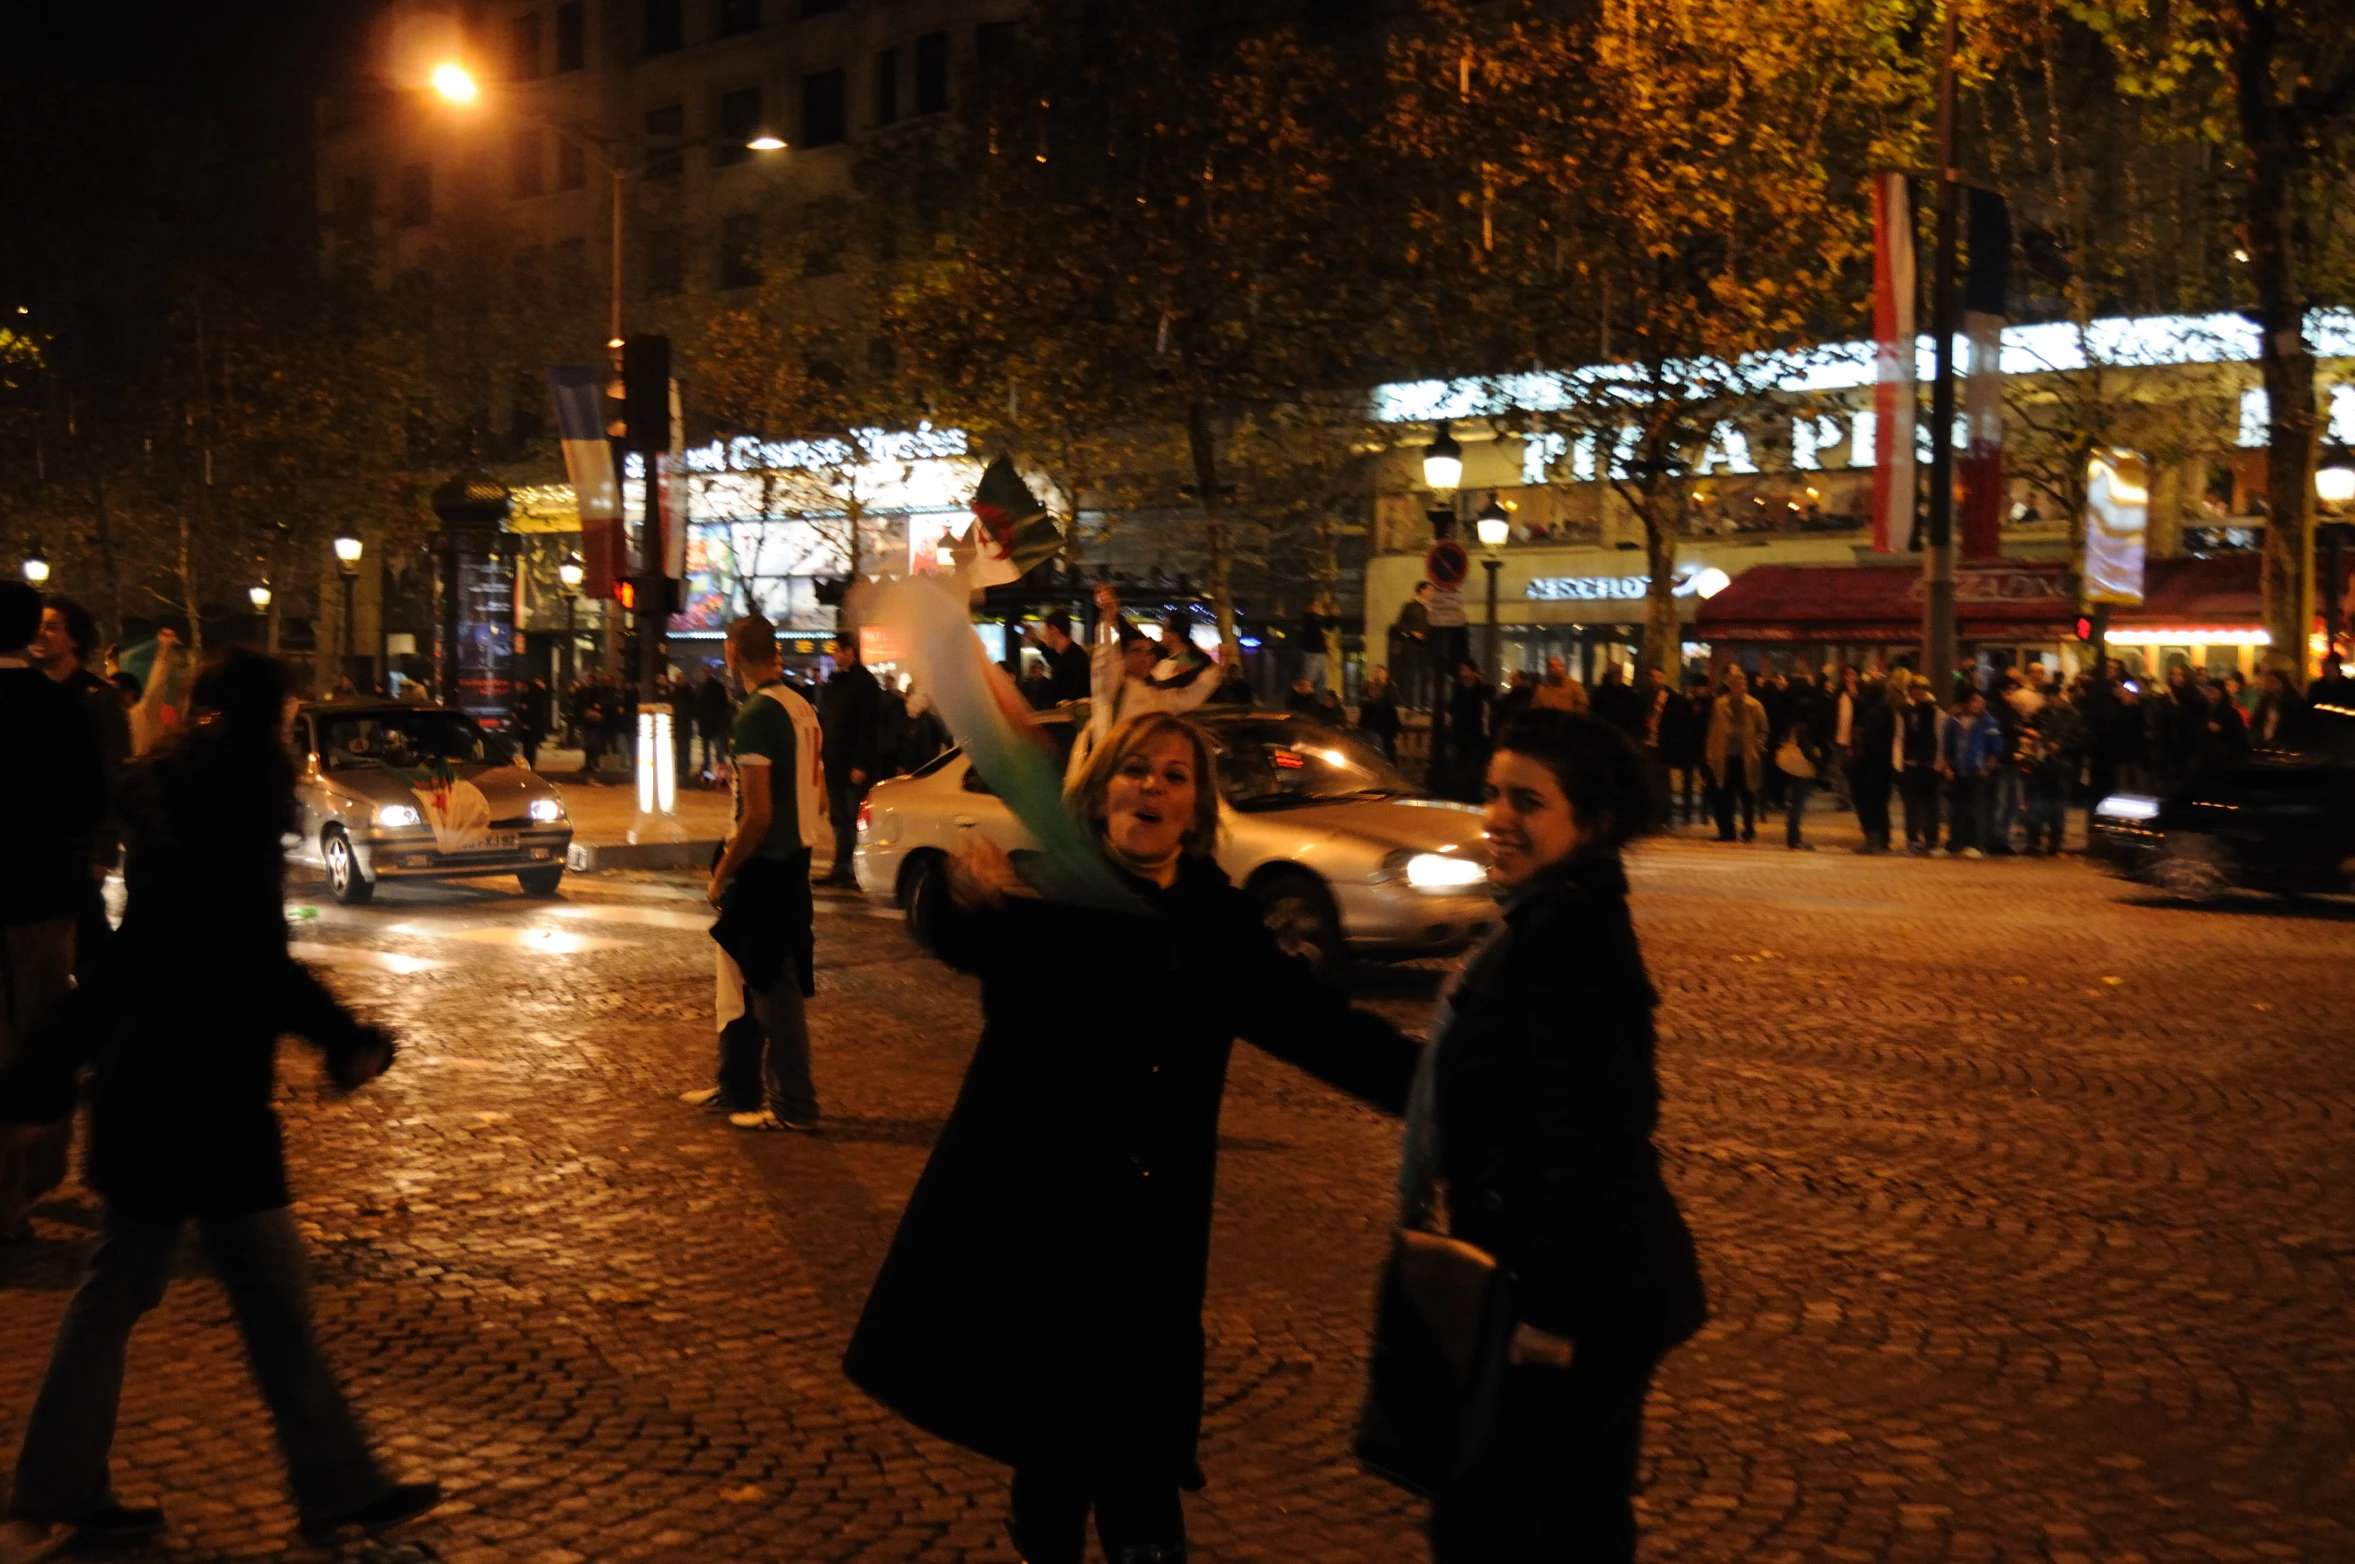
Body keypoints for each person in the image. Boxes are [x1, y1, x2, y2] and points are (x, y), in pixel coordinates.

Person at [844, 712, 1417, 1564]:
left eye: (1174, 776)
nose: (1150, 786)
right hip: (1037, 1227)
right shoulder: (1047, 892)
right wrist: (958, 890)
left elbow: (1318, 1029)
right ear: (1102, 790)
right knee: (1050, 1463)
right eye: (1135, 770)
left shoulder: (1213, 923)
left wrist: (1441, 1090)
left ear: (1196, 809)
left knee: (1137, 1471)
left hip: (1147, 1236)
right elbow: (957, 931)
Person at [0, 646, 439, 1549]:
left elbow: (157, 964)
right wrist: (340, 1037)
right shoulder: (231, 824)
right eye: (283, 713)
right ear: (261, 722)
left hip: (153, 1097)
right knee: (264, 1299)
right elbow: (235, 966)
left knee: (121, 1290)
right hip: (209, 1106)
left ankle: (57, 1485)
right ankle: (333, 1484)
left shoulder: (186, 817)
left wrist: (49, 1072)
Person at [1398, 708, 1704, 1562]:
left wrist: (1549, 1320)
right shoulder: (1542, 916)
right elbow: (1479, 1085)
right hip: (1556, 1286)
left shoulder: (1567, 937)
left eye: (1526, 801)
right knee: (1551, 1515)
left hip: (1569, 1300)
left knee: (1529, 1521)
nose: (1497, 818)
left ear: (1593, 821)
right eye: (1492, 794)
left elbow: (1598, 1139)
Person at [1, 581, 105, 1243]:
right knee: (40, 1038)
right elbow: (88, 802)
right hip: (39, 899)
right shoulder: (60, 706)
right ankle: (31, 1175)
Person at [694, 615, 827, 1132]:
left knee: (773, 987)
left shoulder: (756, 715)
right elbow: (812, 792)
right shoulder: (802, 708)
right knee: (750, 978)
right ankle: (740, 1085)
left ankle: (794, 1103)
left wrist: (725, 871)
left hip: (764, 862)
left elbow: (759, 813)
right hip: (794, 857)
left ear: (732, 652)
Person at [34, 595, 133, 982]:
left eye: (52, 626)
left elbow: (113, 772)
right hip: (37, 838)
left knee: (85, 931)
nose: (40, 634)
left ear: (74, 638)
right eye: (38, 625)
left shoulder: (97, 697)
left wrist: (104, 845)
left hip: (77, 839)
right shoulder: (28, 690)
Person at [1067, 583, 1218, 783]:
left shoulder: (1153, 691)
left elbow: (1186, 698)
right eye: (1138, 651)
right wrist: (1108, 618)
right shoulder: (1112, 687)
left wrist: (1218, 672)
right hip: (1112, 782)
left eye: (1149, 651)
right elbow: (1103, 660)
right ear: (1121, 658)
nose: (1146, 658)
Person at [816, 634, 882, 888]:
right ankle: (840, 866)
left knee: (854, 819)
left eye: (838, 650)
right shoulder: (835, 681)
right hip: (834, 762)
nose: (834, 655)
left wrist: (860, 764)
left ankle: (856, 870)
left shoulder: (864, 683)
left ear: (850, 651)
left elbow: (868, 727)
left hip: (853, 765)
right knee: (838, 818)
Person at [1701, 667, 1766, 843]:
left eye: (1743, 684)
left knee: (1747, 795)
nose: (1740, 687)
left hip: (1746, 756)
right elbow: (1713, 730)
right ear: (1730, 686)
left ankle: (1748, 829)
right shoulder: (1720, 705)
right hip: (1725, 756)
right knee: (1724, 795)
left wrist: (1758, 745)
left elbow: (1763, 729)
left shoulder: (1755, 706)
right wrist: (1710, 753)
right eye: (1736, 684)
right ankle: (1727, 831)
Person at [1940, 690, 2004, 857]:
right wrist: (1947, 766)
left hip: (1977, 771)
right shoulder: (1954, 720)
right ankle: (1956, 841)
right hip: (1958, 770)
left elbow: (1995, 749)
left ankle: (1977, 843)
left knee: (1977, 809)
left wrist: (1986, 768)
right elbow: (1948, 746)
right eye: (1975, 701)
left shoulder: (1988, 722)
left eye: (1981, 702)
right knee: (1957, 809)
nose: (1979, 705)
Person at [1847, 671, 1898, 854]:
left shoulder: (1869, 713)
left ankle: (1874, 838)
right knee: (1879, 803)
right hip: (1882, 766)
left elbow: (1865, 740)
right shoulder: (1887, 711)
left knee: (1868, 803)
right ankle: (1881, 839)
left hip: (1868, 766)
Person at [1657, 674, 1708, 828]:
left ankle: (1696, 813)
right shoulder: (1680, 701)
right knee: (1686, 780)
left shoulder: (1703, 701)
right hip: (1686, 746)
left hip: (1694, 746)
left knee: (1696, 780)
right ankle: (1686, 813)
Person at [1446, 658, 1494, 801]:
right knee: (1459, 768)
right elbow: (1451, 707)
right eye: (1461, 670)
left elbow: (1490, 694)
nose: (1463, 673)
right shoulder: (1458, 688)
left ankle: (1473, 796)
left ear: (1473, 672)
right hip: (1460, 734)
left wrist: (1481, 682)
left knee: (1474, 769)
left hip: (1476, 735)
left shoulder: (1480, 688)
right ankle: (1461, 795)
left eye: (1466, 670)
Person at [1774, 716, 1823, 850]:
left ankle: (1793, 837)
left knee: (1794, 805)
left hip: (1793, 771)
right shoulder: (1803, 729)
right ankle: (1794, 838)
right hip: (1802, 772)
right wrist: (1819, 765)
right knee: (1797, 805)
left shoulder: (1793, 727)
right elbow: (1807, 751)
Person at [1037, 610, 1093, 705]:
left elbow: (1073, 697)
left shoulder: (1075, 658)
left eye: (1045, 631)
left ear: (1054, 631)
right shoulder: (1066, 654)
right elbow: (1052, 657)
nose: (1043, 636)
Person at [1356, 666, 1402, 760]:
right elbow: (1361, 724)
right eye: (1371, 690)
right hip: (1369, 737)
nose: (1373, 692)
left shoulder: (1388, 705)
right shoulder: (1367, 706)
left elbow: (1394, 725)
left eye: (1376, 690)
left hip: (1383, 739)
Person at [512, 677, 550, 769]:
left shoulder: (534, 694)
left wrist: (524, 709)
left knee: (531, 746)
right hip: (526, 723)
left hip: (533, 723)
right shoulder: (525, 694)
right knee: (527, 745)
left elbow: (535, 708)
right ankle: (528, 762)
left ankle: (530, 763)